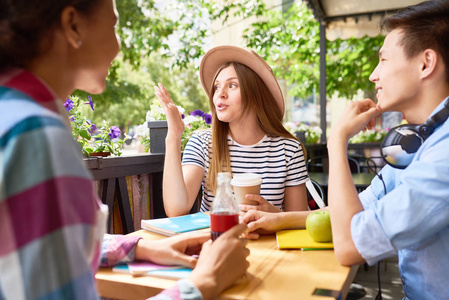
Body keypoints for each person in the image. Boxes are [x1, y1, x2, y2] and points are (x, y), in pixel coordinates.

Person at [0, 1, 249, 299]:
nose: (118, 47)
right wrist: (206, 282)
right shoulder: (35, 136)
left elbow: (43, 242)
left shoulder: (14, 115)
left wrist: (139, 247)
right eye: (114, 26)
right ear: (73, 25)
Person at [242, 1, 449, 298]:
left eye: (384, 60)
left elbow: (350, 245)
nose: (373, 75)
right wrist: (279, 218)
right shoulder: (420, 141)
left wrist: (337, 141)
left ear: (426, 63)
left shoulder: (443, 156)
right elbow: (357, 210)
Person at [154, 46, 309, 217]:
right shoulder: (202, 142)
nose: (220, 94)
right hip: (216, 241)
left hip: (267, 243)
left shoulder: (289, 149)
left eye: (232, 85)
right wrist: (174, 136)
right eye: (217, 87)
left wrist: (273, 214)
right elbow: (176, 209)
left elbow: (299, 220)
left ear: (256, 95)